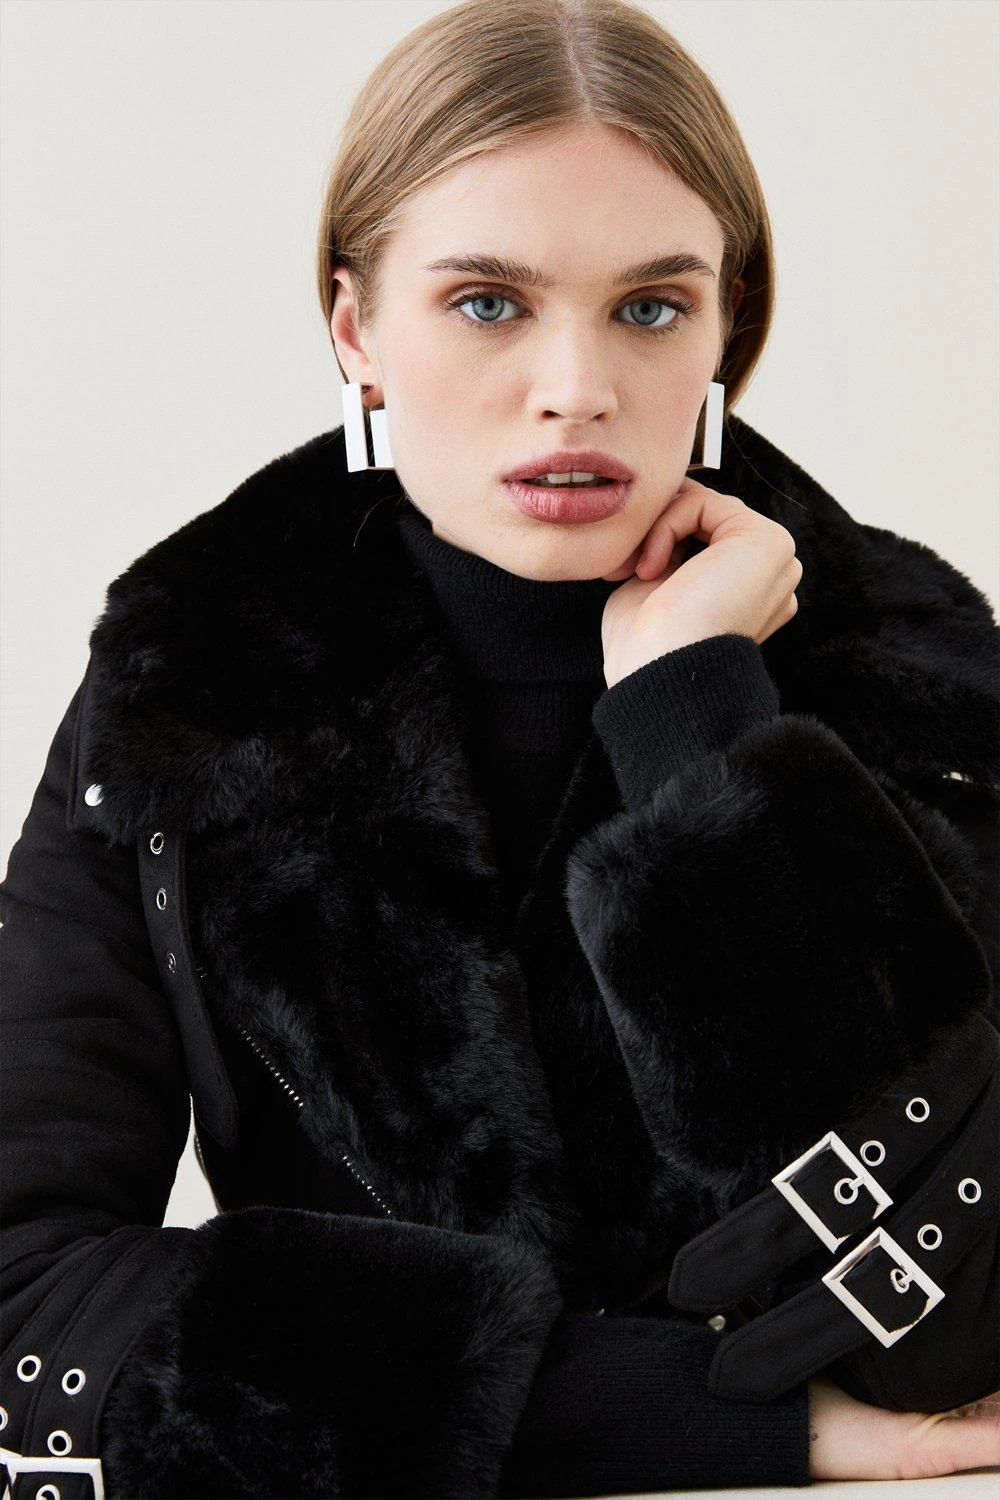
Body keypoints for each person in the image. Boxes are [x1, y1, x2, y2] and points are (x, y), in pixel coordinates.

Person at [2, 1, 998, 1495]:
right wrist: (717, 1418)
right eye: (487, 302)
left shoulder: (908, 670)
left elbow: (960, 1312)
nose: (576, 386)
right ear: (355, 328)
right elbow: (28, 1304)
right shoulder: (188, 683)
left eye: (650, 308)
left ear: (727, 327)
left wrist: (699, 722)